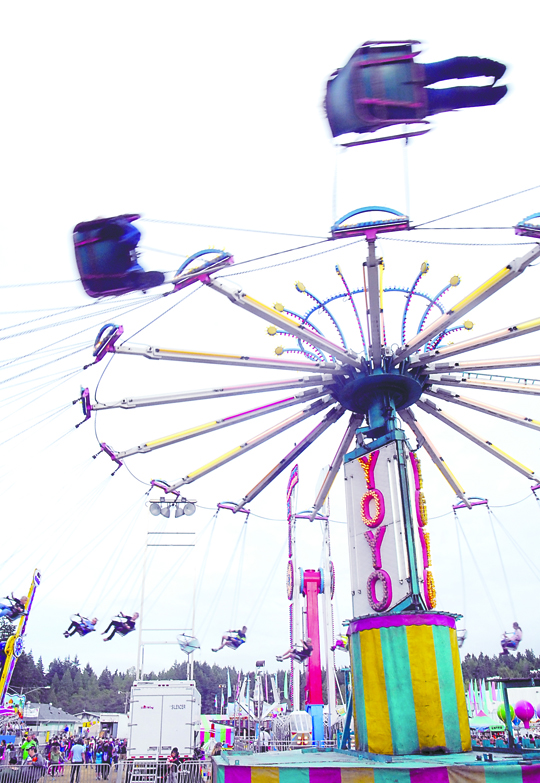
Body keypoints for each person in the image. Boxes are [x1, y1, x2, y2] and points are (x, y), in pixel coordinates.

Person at [326, 46, 508, 138]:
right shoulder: (339, 83)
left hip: (406, 102)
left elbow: (374, 127)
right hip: (401, 78)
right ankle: (494, 72)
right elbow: (365, 54)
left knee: (453, 95)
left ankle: (494, 91)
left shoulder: (348, 121)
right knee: (451, 71)